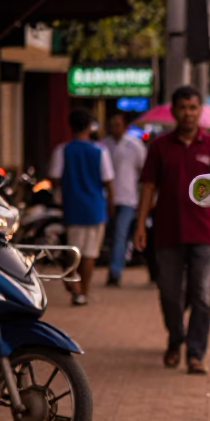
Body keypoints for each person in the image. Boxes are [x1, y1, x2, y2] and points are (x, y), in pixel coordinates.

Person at [134, 86, 210, 375]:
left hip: (203, 233)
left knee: (201, 294)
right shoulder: (159, 147)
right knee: (170, 294)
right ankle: (176, 339)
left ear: (199, 111)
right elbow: (149, 187)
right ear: (174, 111)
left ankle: (196, 353)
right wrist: (139, 225)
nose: (188, 113)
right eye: (183, 108)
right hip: (167, 232)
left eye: (193, 108)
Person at [49, 109, 114, 305]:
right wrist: (110, 205)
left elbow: (54, 178)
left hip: (73, 208)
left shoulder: (62, 150)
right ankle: (83, 292)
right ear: (89, 127)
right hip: (95, 208)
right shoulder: (100, 151)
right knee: (89, 254)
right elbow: (108, 182)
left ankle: (75, 289)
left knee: (73, 253)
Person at [101, 112, 148, 286]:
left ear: (125, 126)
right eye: (111, 124)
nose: (114, 127)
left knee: (120, 235)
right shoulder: (103, 145)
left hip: (128, 198)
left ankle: (115, 272)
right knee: (110, 236)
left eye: (117, 124)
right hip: (106, 199)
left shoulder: (135, 146)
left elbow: (144, 173)